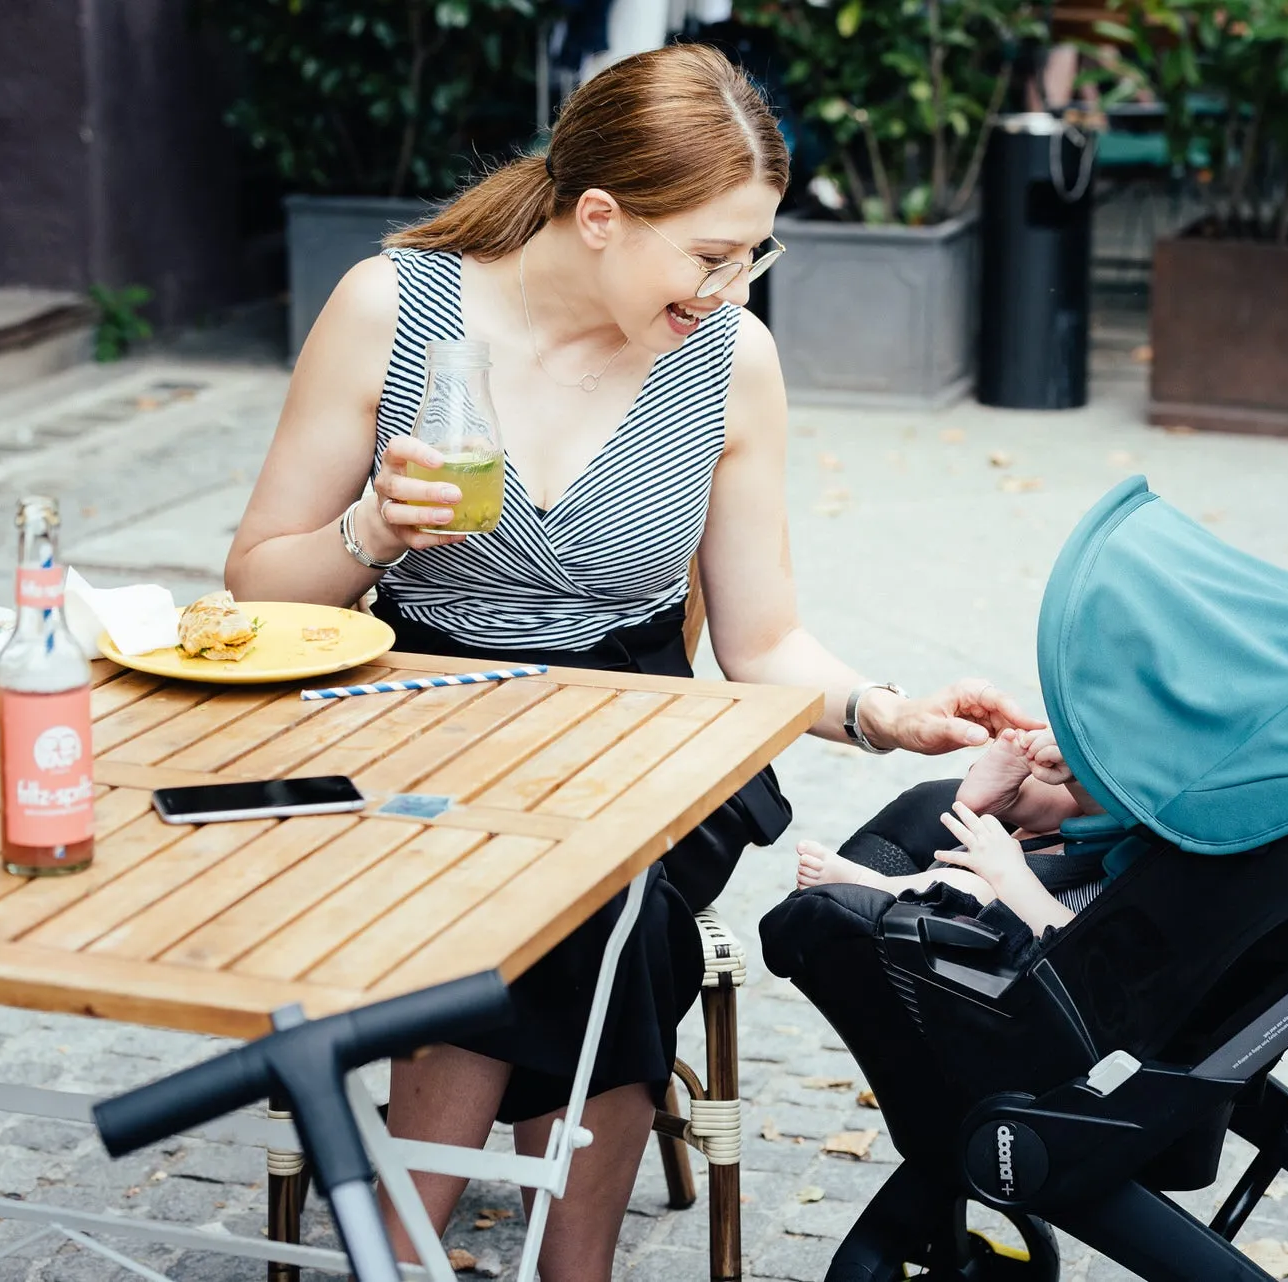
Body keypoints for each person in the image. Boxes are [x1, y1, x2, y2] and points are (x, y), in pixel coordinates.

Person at [224, 42, 1038, 1281]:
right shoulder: (396, 310)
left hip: (640, 732)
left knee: (592, 878)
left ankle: (401, 1240)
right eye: (711, 254)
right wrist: (374, 530)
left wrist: (885, 713)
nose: (732, 285)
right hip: (417, 722)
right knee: (608, 917)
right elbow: (258, 581)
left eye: (751, 253)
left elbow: (759, 641)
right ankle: (563, 1267)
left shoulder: (730, 362)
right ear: (599, 217)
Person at [796, 728, 1105, 934]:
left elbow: (1071, 944)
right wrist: (1078, 777)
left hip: (1044, 921)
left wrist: (1009, 875)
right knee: (1081, 810)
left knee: (971, 889)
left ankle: (871, 883)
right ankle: (1013, 798)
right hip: (1106, 846)